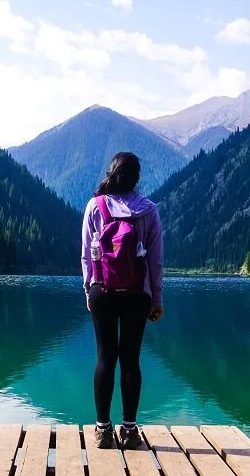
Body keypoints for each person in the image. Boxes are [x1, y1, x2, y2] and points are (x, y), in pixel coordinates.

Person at [80, 151, 164, 450]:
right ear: (136, 178)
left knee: (105, 357)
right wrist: (156, 298)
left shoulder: (95, 206)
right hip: (136, 294)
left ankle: (102, 430)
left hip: (102, 291)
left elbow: (87, 255)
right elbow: (155, 260)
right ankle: (129, 431)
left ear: (111, 172)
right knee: (130, 359)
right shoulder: (148, 210)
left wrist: (90, 290)